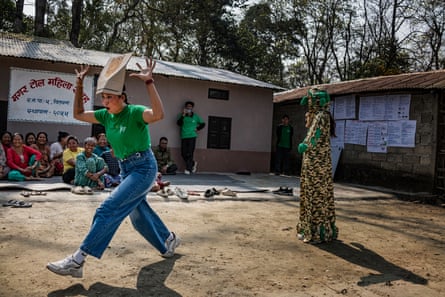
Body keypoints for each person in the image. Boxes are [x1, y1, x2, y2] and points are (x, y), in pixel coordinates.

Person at [47, 54, 180, 278]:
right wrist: (79, 84)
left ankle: (78, 260)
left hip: (144, 167)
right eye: (104, 97)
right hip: (126, 169)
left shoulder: (135, 112)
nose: (106, 101)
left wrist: (149, 82)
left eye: (109, 97)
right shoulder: (105, 116)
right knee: (138, 216)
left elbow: (158, 114)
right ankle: (168, 241)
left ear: (122, 97)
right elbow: (78, 113)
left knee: (107, 209)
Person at [296, 88, 338, 244]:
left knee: (315, 195)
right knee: (318, 194)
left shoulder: (321, 116)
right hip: (319, 164)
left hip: (316, 166)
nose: (308, 104)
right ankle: (320, 230)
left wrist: (304, 145)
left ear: (316, 101)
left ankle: (315, 232)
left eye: (310, 101)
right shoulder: (321, 116)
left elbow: (314, 137)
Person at [176, 101, 205, 174]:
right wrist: (183, 115)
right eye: (187, 107)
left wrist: (197, 129)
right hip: (184, 136)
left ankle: (188, 169)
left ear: (192, 108)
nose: (189, 108)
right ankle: (192, 163)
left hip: (192, 136)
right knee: (183, 153)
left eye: (190, 107)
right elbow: (178, 123)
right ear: (185, 108)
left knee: (190, 153)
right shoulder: (182, 115)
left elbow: (203, 124)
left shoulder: (195, 116)